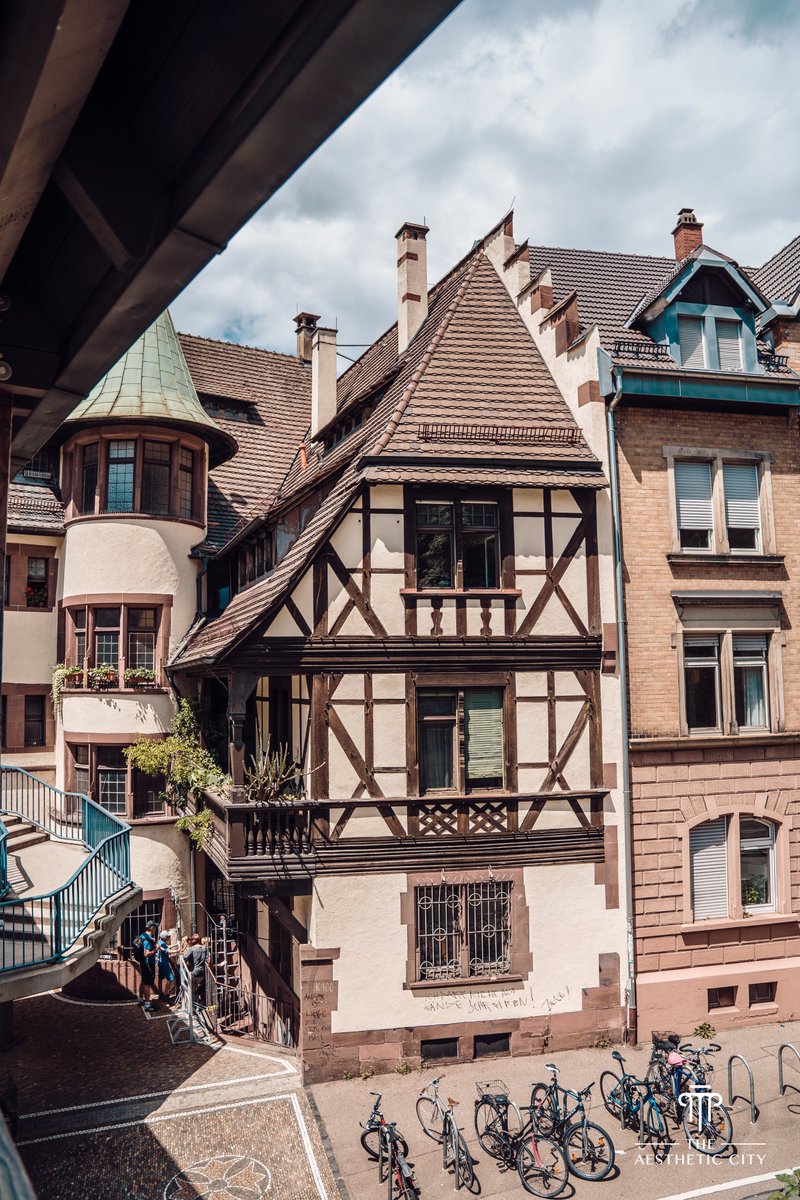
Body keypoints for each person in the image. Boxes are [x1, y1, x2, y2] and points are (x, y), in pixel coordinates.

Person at [133, 921, 159, 1012]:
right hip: (148, 963)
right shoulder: (147, 940)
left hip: (143, 963)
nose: (155, 929)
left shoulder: (143, 936)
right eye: (155, 927)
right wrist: (156, 949)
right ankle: (147, 1004)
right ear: (151, 928)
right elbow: (146, 954)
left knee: (143, 980)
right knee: (147, 983)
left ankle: (140, 999)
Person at [183, 933, 209, 1007]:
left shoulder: (191, 949)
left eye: (191, 939)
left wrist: (185, 965)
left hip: (193, 972)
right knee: (197, 990)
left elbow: (184, 958)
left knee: (191, 990)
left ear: (194, 940)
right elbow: (209, 960)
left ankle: (191, 1008)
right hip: (202, 973)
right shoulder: (205, 948)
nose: (190, 941)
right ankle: (197, 1006)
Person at [157, 929, 176, 1002]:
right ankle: (165, 994)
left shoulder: (160, 942)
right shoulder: (163, 944)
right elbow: (169, 951)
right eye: (168, 936)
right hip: (164, 963)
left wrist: (176, 944)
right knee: (170, 978)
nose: (169, 937)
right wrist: (179, 950)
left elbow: (167, 947)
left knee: (160, 978)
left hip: (160, 963)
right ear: (165, 937)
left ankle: (160, 993)